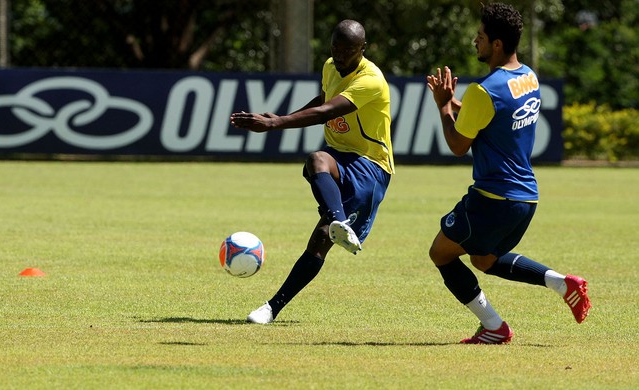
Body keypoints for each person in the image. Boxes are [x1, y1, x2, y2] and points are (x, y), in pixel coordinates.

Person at [426, 2, 591, 344]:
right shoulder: (528, 77)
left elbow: (458, 145)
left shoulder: (484, 90)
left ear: (497, 44)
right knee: (484, 260)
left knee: (440, 253)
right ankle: (562, 283)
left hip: (492, 198)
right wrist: (462, 106)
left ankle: (493, 326)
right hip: (525, 199)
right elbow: (498, 119)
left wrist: (444, 105)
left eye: (481, 36)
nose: (476, 41)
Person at [230, 19, 394, 324]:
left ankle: (273, 306)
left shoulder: (371, 80)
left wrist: (276, 123)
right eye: (336, 47)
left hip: (370, 166)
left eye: (349, 50)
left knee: (320, 239)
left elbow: (327, 111)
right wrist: (282, 118)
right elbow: (324, 99)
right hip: (338, 156)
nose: (341, 55)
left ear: (363, 49)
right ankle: (337, 222)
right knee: (316, 159)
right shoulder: (331, 66)